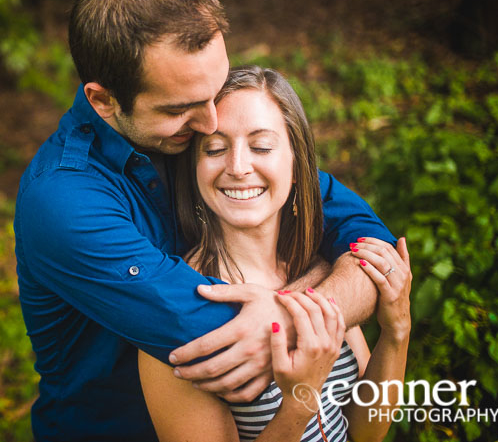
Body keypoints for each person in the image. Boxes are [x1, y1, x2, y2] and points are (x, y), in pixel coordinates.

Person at [14, 0, 396, 442]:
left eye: (214, 93)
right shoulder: (63, 202)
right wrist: (326, 279)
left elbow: (373, 245)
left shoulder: (198, 137)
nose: (212, 122)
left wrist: (311, 295)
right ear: (103, 100)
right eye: (178, 109)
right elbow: (218, 333)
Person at [138, 65, 411, 442]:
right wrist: (301, 400)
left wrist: (396, 333)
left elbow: (365, 433)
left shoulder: (324, 271)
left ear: (299, 167)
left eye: (261, 146)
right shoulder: (178, 311)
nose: (237, 167)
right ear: (195, 169)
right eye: (215, 148)